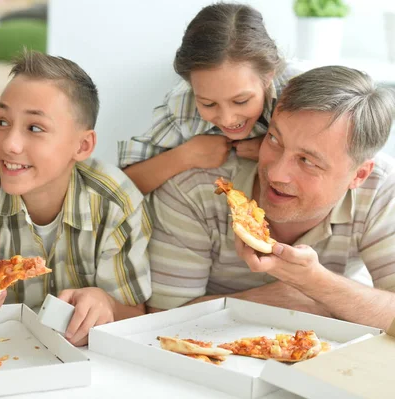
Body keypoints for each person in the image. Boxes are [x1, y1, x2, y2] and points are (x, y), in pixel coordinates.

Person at [0, 50, 152, 346]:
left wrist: (107, 305)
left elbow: (137, 315)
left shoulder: (116, 204)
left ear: (83, 145)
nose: (9, 144)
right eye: (2, 122)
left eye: (35, 128)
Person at [146, 65, 395, 330]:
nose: (276, 174)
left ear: (359, 175)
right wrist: (263, 301)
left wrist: (314, 282)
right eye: (274, 139)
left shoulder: (382, 189)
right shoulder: (194, 189)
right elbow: (158, 323)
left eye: (307, 161)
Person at [119, 3, 297, 194]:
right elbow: (121, 188)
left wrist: (272, 151)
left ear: (268, 76)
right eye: (208, 104)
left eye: (241, 101)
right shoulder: (181, 105)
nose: (228, 119)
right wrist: (185, 156)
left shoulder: (300, 91)